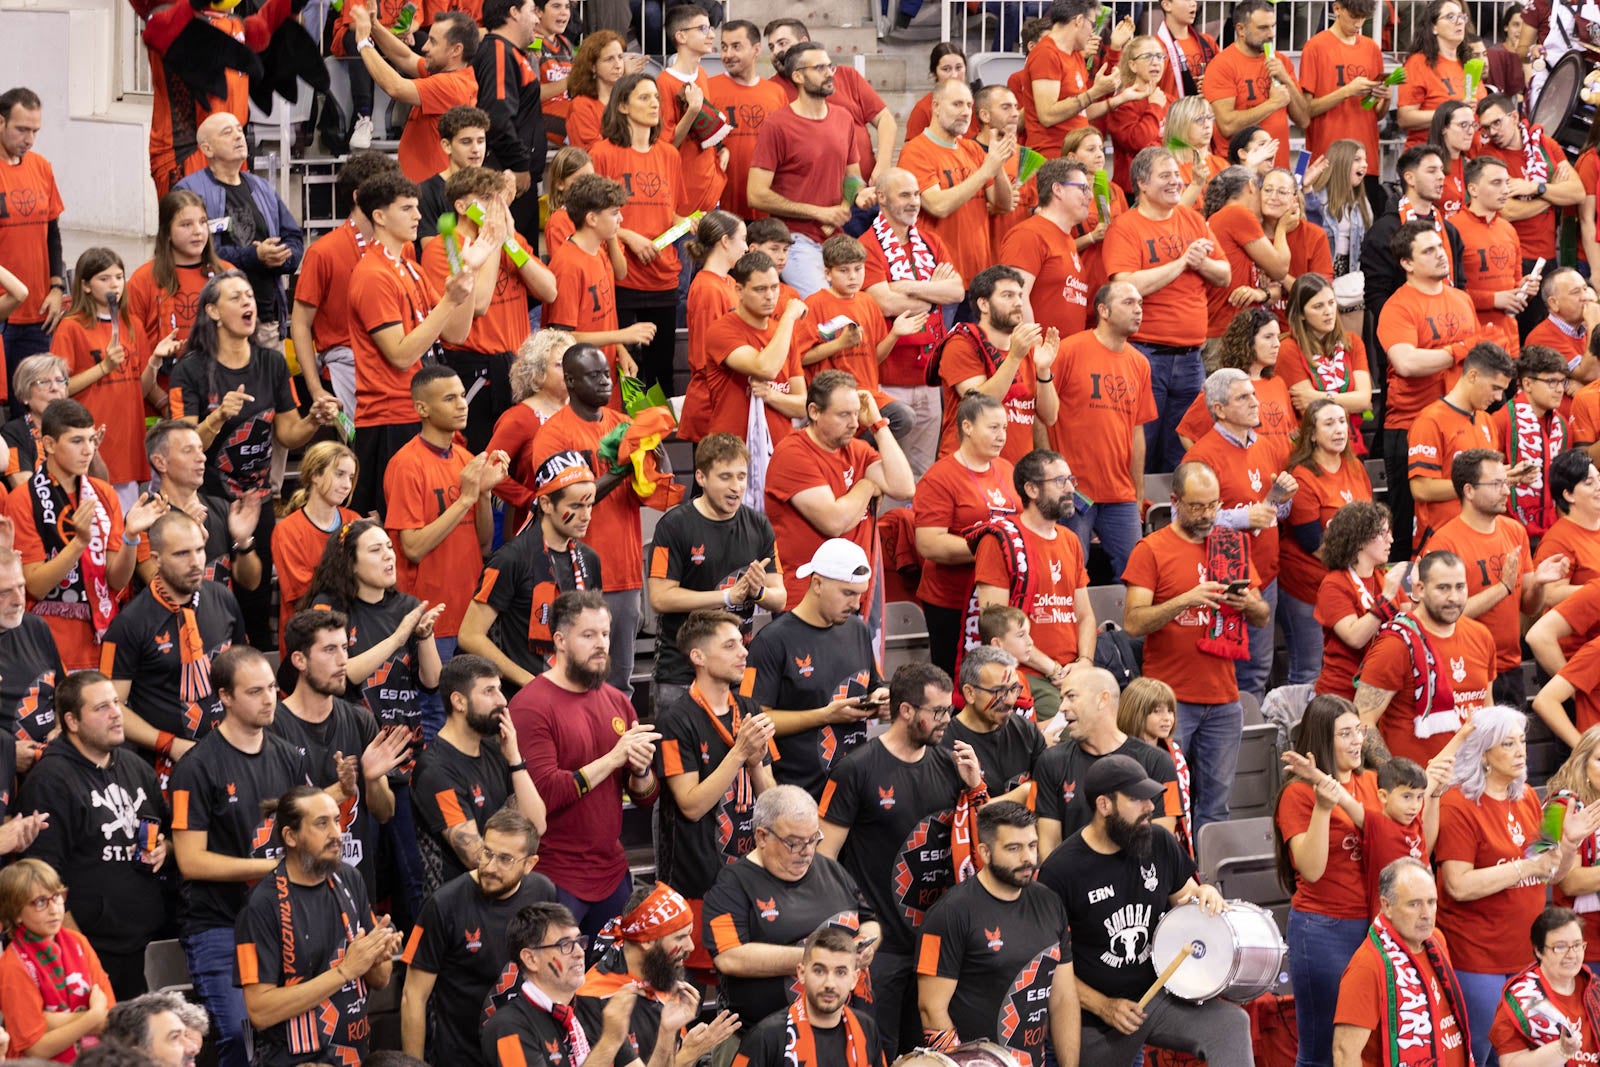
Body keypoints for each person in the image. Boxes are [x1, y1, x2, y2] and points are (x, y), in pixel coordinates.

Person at [817, 661, 987, 1060]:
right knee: (877, 1051)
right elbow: (823, 859)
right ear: (907, 710)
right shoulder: (854, 770)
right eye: (939, 711)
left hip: (938, 946)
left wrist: (977, 786)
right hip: (881, 947)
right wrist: (853, 927)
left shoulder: (951, 765)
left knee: (928, 1057)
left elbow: (983, 844)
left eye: (949, 710)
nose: (948, 720)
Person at [1038, 753, 1253, 1063]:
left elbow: (1187, 898)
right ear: (1104, 805)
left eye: (1150, 798)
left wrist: (1204, 893)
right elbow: (1047, 968)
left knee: (1230, 1024)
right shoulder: (1061, 871)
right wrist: (1104, 1006)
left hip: (1156, 998)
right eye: (1138, 799)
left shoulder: (1159, 842)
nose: (1151, 807)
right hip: (1093, 1017)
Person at [168, 647, 316, 1067]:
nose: (269, 698)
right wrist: (274, 868)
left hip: (279, 918)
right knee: (238, 1033)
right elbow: (191, 861)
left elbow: (308, 823)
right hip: (220, 924)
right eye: (255, 691)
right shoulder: (196, 768)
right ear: (225, 698)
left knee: (294, 1033)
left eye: (271, 687)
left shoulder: (288, 755)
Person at [1435, 705, 1599, 1064]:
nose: (1521, 751)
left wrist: (1568, 845)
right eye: (1507, 744)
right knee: (1479, 1053)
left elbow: (1550, 872)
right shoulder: (1456, 804)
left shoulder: (1525, 796)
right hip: (1478, 957)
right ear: (1483, 754)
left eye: (1522, 741)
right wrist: (1526, 865)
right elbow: (1458, 885)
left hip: (1525, 954)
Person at [1124, 460, 1270, 830]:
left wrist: (1248, 604)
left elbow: (1263, 615)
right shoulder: (1151, 549)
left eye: (1214, 505)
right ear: (1175, 501)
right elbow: (1133, 622)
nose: (1207, 515)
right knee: (1162, 803)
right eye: (1197, 506)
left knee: (1216, 808)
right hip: (1168, 701)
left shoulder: (1230, 545)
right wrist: (1185, 600)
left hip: (1223, 698)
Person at [512, 591, 658, 937]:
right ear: (560, 641)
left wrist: (640, 771)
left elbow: (645, 797)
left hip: (612, 872)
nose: (601, 644)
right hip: (556, 876)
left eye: (605, 634)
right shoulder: (531, 706)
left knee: (611, 983)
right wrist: (614, 758)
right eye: (588, 635)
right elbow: (545, 792)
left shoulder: (617, 702)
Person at [344, 173, 481, 516]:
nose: (418, 216)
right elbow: (402, 355)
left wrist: (469, 277)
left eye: (417, 208)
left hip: (417, 409)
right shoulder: (373, 274)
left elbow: (455, 334)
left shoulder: (409, 267)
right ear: (379, 216)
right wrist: (449, 300)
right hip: (389, 418)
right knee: (396, 526)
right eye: (407, 208)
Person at [18, 670, 160, 1000]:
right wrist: (79, 958)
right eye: (101, 708)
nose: (115, 714)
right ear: (72, 721)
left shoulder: (135, 766)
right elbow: (44, 880)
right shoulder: (49, 782)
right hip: (93, 948)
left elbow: (158, 830)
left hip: (146, 940)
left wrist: (162, 848)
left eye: (116, 703)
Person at [235, 786, 401, 1067]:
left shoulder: (350, 879)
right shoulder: (260, 906)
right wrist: (345, 971)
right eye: (322, 824)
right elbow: (260, 1010)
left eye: (336, 820)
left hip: (354, 1054)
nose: (336, 833)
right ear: (290, 836)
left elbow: (380, 980)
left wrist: (377, 957)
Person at [531, 344, 662, 696]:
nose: (606, 382)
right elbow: (566, 503)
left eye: (607, 374)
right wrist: (621, 468)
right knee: (574, 680)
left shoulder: (623, 423)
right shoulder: (554, 434)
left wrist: (653, 462)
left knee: (619, 683)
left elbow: (647, 494)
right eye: (595, 376)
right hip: (576, 571)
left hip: (624, 568)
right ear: (571, 382)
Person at [653, 609, 777, 971]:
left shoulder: (749, 709)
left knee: (744, 979)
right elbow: (690, 805)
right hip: (696, 880)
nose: (743, 653)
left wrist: (754, 762)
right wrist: (739, 753)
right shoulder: (676, 719)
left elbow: (769, 798)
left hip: (751, 872)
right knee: (690, 987)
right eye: (730, 645)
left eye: (742, 643)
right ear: (698, 657)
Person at [702, 784, 881, 1026]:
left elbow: (869, 921)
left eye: (813, 839)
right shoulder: (732, 885)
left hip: (845, 1027)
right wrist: (819, 959)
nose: (806, 852)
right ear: (762, 836)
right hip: (768, 1038)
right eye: (794, 843)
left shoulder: (831, 870)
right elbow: (729, 957)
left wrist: (866, 945)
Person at [915, 801, 1079, 1065]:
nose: (1028, 857)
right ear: (985, 852)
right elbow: (931, 1009)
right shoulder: (948, 914)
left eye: (1032, 845)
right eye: (1013, 848)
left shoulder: (1050, 903)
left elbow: (1063, 998)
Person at [384, 365, 506, 714]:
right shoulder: (407, 464)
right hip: (429, 620)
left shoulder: (467, 460)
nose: (461, 404)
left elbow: (483, 544)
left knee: (472, 721)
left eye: (461, 395)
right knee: (436, 719)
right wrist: (466, 498)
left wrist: (483, 494)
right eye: (449, 398)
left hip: (468, 617)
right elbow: (412, 547)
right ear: (422, 408)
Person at [1103, 147, 1231, 472]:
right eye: (1166, 176)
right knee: (1140, 448)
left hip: (1191, 358)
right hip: (1145, 355)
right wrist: (1182, 262)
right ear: (1142, 184)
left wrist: (1200, 264)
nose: (1176, 181)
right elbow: (1125, 285)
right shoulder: (1126, 227)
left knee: (1184, 453)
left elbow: (1224, 274)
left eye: (1177, 174)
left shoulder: (1192, 219)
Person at [400, 808, 557, 1067]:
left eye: (505, 859)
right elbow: (412, 996)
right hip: (461, 1057)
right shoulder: (442, 905)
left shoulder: (543, 891)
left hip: (525, 1053)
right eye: (487, 852)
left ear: (530, 864)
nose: (490, 867)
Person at [1274, 696, 1383, 1067]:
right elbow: (1312, 869)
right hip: (1323, 930)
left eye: (1359, 731)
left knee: (1368, 1047)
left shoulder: (1373, 781)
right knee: (1322, 1050)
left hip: (1376, 927)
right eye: (1345, 733)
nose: (1357, 741)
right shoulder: (1297, 794)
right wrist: (1323, 807)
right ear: (1323, 737)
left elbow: (1394, 839)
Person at [101, 509, 248, 785]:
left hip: (231, 750)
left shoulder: (222, 598)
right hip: (166, 767)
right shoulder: (128, 624)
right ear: (156, 560)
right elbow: (111, 706)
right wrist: (170, 744)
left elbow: (246, 668)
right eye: (182, 554)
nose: (195, 562)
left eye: (199, 550)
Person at [272, 608, 408, 901]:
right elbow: (275, 819)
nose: (342, 660)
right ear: (299, 660)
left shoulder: (361, 720)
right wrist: (340, 791)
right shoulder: (273, 728)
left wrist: (371, 780)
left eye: (345, 648)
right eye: (330, 650)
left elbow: (385, 812)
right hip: (296, 893)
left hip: (355, 888)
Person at [8, 400, 154, 671]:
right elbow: (36, 585)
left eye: (91, 439)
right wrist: (79, 544)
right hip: (48, 643)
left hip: (103, 636)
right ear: (49, 444)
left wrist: (131, 537)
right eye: (76, 441)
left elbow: (117, 579)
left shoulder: (103, 493)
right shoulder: (22, 499)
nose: (88, 450)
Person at [1183, 366, 1299, 701]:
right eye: (1243, 397)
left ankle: (1251, 743)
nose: (1255, 402)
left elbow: (1274, 513)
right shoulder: (1201, 456)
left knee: (1259, 669)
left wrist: (1280, 499)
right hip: (1224, 579)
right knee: (1223, 670)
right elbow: (1183, 518)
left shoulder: (1267, 447)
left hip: (1267, 573)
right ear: (1218, 409)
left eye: (1254, 395)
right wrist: (1242, 517)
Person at [419, 170, 555, 453]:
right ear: (460, 206)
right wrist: (493, 242)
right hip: (475, 373)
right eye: (484, 199)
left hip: (519, 368)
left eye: (496, 199)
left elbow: (550, 290)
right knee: (482, 458)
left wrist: (509, 241)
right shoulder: (443, 249)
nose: (494, 207)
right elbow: (479, 303)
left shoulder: (508, 239)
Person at [647, 436, 783, 707]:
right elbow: (660, 597)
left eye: (742, 477)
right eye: (725, 477)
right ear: (701, 477)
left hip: (736, 671)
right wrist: (726, 598)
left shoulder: (759, 526)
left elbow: (779, 598)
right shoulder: (673, 527)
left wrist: (757, 592)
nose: (736, 487)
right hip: (681, 673)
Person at [764, 371, 914, 610]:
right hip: (808, 601)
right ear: (814, 412)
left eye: (856, 413)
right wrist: (866, 485)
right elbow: (834, 522)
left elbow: (904, 487)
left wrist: (877, 424)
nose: (854, 423)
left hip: (856, 597)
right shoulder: (793, 453)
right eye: (844, 414)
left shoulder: (859, 449)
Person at [1376, 219, 1481, 560]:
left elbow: (1476, 359)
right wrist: (1458, 351)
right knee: (1407, 533)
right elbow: (1406, 362)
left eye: (1440, 247)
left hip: (1461, 426)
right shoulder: (1398, 306)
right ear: (1407, 263)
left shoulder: (1463, 299)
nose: (1440, 255)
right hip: (1410, 426)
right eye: (1428, 251)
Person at [1431, 449, 1567, 708]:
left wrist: (1539, 583)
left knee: (1513, 748)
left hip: (1509, 666)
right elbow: (1444, 616)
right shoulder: (1445, 543)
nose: (1507, 491)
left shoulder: (1515, 530)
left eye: (1505, 482)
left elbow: (1529, 607)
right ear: (1469, 490)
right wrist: (1502, 587)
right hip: (1464, 671)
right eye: (1496, 484)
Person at [971, 449, 1095, 719]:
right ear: (1031, 489)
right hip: (1026, 674)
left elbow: (1085, 616)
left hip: (1073, 673)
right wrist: (1052, 668)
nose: (1070, 488)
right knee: (1077, 731)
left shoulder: (1070, 540)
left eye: (1071, 480)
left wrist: (1084, 662)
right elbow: (997, 628)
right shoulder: (999, 541)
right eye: (1060, 481)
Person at [858, 169, 963, 480]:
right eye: (905, 195)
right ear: (881, 198)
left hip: (930, 379)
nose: (914, 202)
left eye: (916, 194)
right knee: (886, 470)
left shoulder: (932, 242)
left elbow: (956, 291)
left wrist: (908, 286)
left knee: (922, 473)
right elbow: (884, 302)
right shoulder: (868, 245)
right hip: (888, 380)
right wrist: (934, 294)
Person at [411, 654, 545, 898]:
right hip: (458, 908)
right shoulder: (435, 771)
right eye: (489, 691)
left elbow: (537, 825)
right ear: (459, 702)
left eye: (500, 690)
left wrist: (515, 760)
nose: (502, 701)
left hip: (504, 894)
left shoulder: (496, 751)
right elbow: (476, 857)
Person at [588, 74, 688, 395]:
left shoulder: (670, 155)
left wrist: (687, 223)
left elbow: (671, 210)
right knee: (628, 375)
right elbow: (591, 214)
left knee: (661, 376)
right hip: (622, 278)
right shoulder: (602, 153)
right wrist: (628, 235)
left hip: (664, 277)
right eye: (644, 97)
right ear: (622, 106)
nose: (654, 103)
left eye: (656, 97)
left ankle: (660, 440)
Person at [747, 42, 871, 297]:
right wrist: (819, 212)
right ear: (798, 76)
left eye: (830, 66)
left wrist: (852, 201)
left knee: (852, 308)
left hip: (835, 239)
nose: (829, 73)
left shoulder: (843, 118)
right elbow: (756, 194)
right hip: (793, 241)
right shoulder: (777, 124)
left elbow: (853, 177)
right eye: (820, 67)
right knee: (823, 308)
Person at [1048, 282, 1154, 577]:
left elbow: (1137, 431)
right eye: (1129, 303)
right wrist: (1049, 477)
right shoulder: (1069, 351)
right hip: (1072, 489)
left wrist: (1138, 491)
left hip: (1119, 493)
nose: (1138, 310)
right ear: (1103, 311)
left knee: (1138, 577)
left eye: (1141, 304)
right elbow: (1041, 415)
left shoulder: (1140, 364)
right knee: (1070, 576)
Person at [1353, 549, 1497, 764]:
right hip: (1417, 787)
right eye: (1443, 588)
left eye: (1460, 587)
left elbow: (1487, 708)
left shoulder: (1481, 636)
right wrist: (1396, 778)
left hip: (1470, 780)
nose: (1453, 597)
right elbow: (1363, 721)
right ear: (1419, 589)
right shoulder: (1395, 644)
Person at [289, 152, 402, 420]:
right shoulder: (323, 252)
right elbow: (301, 323)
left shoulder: (402, 247)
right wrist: (315, 388)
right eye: (388, 191)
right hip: (346, 372)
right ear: (358, 195)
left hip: (396, 368)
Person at [913, 393, 1022, 674]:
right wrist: (991, 550)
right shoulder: (940, 477)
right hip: (952, 601)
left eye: (1005, 428)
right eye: (993, 428)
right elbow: (929, 543)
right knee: (956, 679)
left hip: (997, 597)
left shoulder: (1007, 468)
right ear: (967, 426)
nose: (1002, 436)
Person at [573, 882, 737, 1067]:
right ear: (647, 941)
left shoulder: (662, 974)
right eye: (680, 937)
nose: (690, 947)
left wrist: (690, 1052)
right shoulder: (594, 998)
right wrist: (688, 1054)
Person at [173, 115, 302, 345]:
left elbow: (292, 236)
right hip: (218, 323)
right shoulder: (189, 190)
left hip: (265, 319)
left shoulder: (260, 187)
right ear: (207, 149)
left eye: (239, 131)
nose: (238, 136)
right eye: (227, 132)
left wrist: (280, 257)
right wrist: (254, 257)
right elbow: (194, 252)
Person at [1332, 857, 1471, 1067]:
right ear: (1387, 906)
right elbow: (1344, 1053)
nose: (1426, 914)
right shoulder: (1367, 966)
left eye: (1431, 902)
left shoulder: (1436, 940)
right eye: (1414, 904)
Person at [52, 248, 170, 495]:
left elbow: (141, 389)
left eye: (119, 277)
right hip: (92, 437)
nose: (114, 284)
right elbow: (60, 388)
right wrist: (103, 368)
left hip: (126, 439)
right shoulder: (71, 327)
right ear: (85, 286)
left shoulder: (132, 324)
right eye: (104, 279)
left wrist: (155, 361)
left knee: (124, 524)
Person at [478, 902, 649, 1067]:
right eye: (565, 945)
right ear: (531, 959)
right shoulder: (508, 1027)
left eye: (579, 941)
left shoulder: (597, 1008)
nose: (579, 953)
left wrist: (666, 1032)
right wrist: (609, 1043)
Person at [1036, 663, 1178, 855]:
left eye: (1071, 697)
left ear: (1102, 700)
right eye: (1062, 699)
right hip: (1075, 881)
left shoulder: (1159, 762)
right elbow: (1049, 848)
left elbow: (1161, 845)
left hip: (1137, 881)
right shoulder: (1050, 762)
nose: (1062, 707)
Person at [1280, 401, 1373, 685]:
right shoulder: (1303, 476)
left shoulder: (1355, 467)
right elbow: (1312, 542)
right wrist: (1356, 570)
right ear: (1311, 433)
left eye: (1342, 422)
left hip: (1346, 582)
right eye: (1329, 423)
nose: (1338, 430)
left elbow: (1371, 521)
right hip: (1307, 583)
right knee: (1308, 668)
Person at [792, 235, 918, 443]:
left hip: (866, 391)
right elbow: (800, 358)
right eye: (844, 270)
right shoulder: (815, 304)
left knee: (902, 418)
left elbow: (873, 357)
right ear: (828, 273)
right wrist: (839, 344)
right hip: (831, 395)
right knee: (899, 416)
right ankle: (853, 449)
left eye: (858, 269)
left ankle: (855, 450)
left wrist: (895, 334)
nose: (853, 277)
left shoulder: (867, 302)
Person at [1476, 93, 1586, 328]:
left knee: (1548, 329)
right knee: (1520, 331)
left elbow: (1577, 192)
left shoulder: (1544, 143)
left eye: (1497, 122)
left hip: (1546, 256)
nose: (1492, 132)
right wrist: (1552, 195)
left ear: (1514, 116)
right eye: (1486, 128)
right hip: (1513, 259)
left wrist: (1535, 187)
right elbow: (1508, 211)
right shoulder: (1489, 156)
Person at [933, 266, 1060, 466]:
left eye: (1019, 295)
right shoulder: (961, 343)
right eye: (1007, 296)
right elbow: (980, 404)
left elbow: (1050, 416)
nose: (1018, 303)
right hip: (967, 470)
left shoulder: (1027, 348)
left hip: (1013, 474)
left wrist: (1043, 370)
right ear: (983, 304)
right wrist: (1015, 357)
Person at [897, 81, 1014, 289]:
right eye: (957, 104)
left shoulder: (973, 149)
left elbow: (1003, 205)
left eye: (969, 105)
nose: (965, 112)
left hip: (979, 276)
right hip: (940, 277)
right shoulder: (915, 151)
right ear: (936, 107)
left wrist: (998, 163)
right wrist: (986, 170)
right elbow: (937, 206)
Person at [542, 173, 654, 385]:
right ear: (592, 219)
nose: (620, 220)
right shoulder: (568, 265)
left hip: (602, 368)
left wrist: (620, 350)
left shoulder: (599, 252)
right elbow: (562, 338)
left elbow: (605, 319)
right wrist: (622, 336)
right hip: (581, 379)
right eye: (614, 213)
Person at [348, 6, 479, 185]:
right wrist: (375, 26)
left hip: (431, 194)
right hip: (423, 188)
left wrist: (363, 43)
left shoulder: (452, 86)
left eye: (433, 42)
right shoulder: (448, 73)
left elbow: (395, 87)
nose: (424, 47)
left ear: (456, 50)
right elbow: (406, 57)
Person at [0, 858, 113, 1061]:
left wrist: (49, 1022)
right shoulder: (13, 965)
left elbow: (110, 1017)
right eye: (40, 902)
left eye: (57, 896)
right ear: (16, 913)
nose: (54, 909)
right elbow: (35, 1049)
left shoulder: (77, 941)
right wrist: (91, 1016)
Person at [762, 19, 896, 185]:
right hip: (812, 194)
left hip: (866, 189)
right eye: (771, 47)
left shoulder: (847, 76)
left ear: (804, 42)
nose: (776, 52)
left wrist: (882, 165)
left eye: (782, 43)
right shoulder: (769, 90)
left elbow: (885, 120)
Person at [1407, 342, 1514, 549]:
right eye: (1495, 387)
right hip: (1441, 541)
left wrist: (1504, 479)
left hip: (1481, 538)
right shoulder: (1430, 421)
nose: (1498, 397)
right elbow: (1421, 488)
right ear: (1473, 376)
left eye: (1502, 390)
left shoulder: (1486, 421)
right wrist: (1480, 486)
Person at [696, 250, 808, 447]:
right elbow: (765, 368)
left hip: (779, 449)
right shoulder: (722, 330)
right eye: (760, 289)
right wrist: (789, 317)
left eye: (775, 287)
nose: (770, 296)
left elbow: (802, 406)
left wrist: (771, 396)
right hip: (731, 452)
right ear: (739, 290)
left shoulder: (782, 332)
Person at [732, 923, 885, 1067]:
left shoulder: (867, 1028)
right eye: (819, 971)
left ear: (854, 979)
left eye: (840, 972)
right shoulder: (766, 1037)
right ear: (802, 973)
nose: (829, 983)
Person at [140, 419, 262, 595]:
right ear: (160, 462)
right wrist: (185, 535)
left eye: (200, 449)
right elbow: (156, 585)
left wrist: (243, 543)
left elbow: (251, 582)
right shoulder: (145, 518)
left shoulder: (222, 508)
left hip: (219, 618)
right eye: (188, 451)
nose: (202, 457)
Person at [1361, 145, 1465, 346]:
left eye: (1442, 170)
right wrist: (1409, 328)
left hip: (1449, 333)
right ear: (1409, 178)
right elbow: (1377, 296)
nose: (1441, 177)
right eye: (1431, 170)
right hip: (1404, 340)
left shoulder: (1449, 230)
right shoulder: (1384, 231)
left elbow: (1460, 286)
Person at [126, 190, 231, 380]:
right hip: (160, 389)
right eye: (186, 225)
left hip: (219, 387)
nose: (198, 231)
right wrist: (161, 401)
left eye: (202, 222)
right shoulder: (142, 280)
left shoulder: (227, 275)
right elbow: (132, 353)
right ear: (166, 233)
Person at [1313, 503, 1407, 701]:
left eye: (1389, 531)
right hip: (1342, 696)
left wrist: (1422, 592)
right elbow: (1355, 637)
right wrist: (1386, 600)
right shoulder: (1334, 584)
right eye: (1382, 533)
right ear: (1359, 539)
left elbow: (1410, 620)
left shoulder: (1383, 577)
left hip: (1381, 689)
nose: (1390, 539)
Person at [486, 328, 576, 528]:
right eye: (561, 365)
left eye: (574, 363)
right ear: (536, 374)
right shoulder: (518, 418)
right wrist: (531, 500)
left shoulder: (585, 411)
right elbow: (489, 468)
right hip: (535, 525)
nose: (571, 370)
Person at [0, 89, 64, 368]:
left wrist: (56, 287)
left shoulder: (41, 167)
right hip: (4, 311)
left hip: (39, 313)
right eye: (21, 129)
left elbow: (53, 233)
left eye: (35, 131)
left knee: (33, 404)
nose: (29, 139)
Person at [270, 442, 359, 643]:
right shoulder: (288, 531)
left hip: (353, 633)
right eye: (339, 474)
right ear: (315, 475)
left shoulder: (355, 521)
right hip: (308, 639)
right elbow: (306, 596)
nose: (347, 484)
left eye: (351, 477)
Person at [943, 632, 1048, 800]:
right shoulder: (946, 745)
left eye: (1014, 689)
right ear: (969, 693)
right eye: (999, 692)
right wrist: (1025, 792)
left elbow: (1048, 793)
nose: (1009, 700)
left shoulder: (1026, 731)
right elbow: (958, 817)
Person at [1489, 906, 1600, 1064]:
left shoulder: (1594, 987)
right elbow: (1510, 1063)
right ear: (1539, 951)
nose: (1571, 955)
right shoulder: (1520, 999)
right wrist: (1560, 1051)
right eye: (1560, 947)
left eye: (1577, 945)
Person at [1204, 0, 1308, 167]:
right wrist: (1272, 104)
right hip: (1240, 173)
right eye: (1263, 28)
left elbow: (1303, 120)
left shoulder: (1281, 61)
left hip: (1278, 172)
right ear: (1241, 29)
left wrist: (1286, 79)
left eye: (1273, 26)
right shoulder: (1222, 65)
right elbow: (1227, 125)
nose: (1271, 34)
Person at [474, 0, 545, 239]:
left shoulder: (511, 53)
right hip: (506, 178)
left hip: (517, 180)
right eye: (532, 11)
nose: (537, 19)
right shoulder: (498, 52)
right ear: (513, 12)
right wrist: (519, 164)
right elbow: (495, 116)